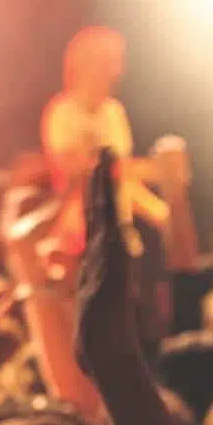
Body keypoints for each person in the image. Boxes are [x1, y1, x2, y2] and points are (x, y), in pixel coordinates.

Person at [41, 27, 165, 258]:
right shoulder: (62, 112)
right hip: (77, 240)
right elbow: (77, 171)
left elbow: (124, 180)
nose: (117, 71)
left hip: (118, 236)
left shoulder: (114, 112)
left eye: (118, 62)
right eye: (108, 62)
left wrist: (161, 213)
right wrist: (151, 170)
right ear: (84, 65)